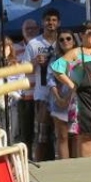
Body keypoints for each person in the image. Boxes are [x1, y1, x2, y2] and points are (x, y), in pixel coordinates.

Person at [52, 21, 91, 158]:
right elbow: (56, 68)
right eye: (89, 33)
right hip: (84, 102)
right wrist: (72, 85)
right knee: (86, 139)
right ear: (81, 35)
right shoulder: (76, 53)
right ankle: (86, 173)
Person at [25, 9, 61, 161]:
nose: (50, 23)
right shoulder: (34, 44)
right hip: (43, 94)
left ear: (59, 23)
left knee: (63, 133)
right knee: (42, 134)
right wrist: (35, 62)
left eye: (54, 20)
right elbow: (25, 70)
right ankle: (43, 165)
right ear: (42, 22)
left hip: (62, 94)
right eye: (48, 20)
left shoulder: (65, 39)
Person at [46, 29, 80, 159]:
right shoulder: (54, 59)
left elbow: (80, 79)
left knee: (77, 135)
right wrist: (58, 98)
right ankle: (64, 166)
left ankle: (78, 166)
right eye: (61, 39)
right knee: (62, 136)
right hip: (58, 101)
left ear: (74, 40)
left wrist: (68, 97)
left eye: (68, 38)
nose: (65, 41)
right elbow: (50, 80)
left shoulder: (80, 57)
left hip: (76, 100)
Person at [15, 19, 39, 145]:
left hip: (42, 95)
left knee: (43, 133)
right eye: (27, 29)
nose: (30, 31)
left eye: (33, 28)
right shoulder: (15, 49)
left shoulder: (43, 45)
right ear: (22, 31)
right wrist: (33, 63)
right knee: (26, 133)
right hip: (25, 96)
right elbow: (17, 72)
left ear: (38, 29)